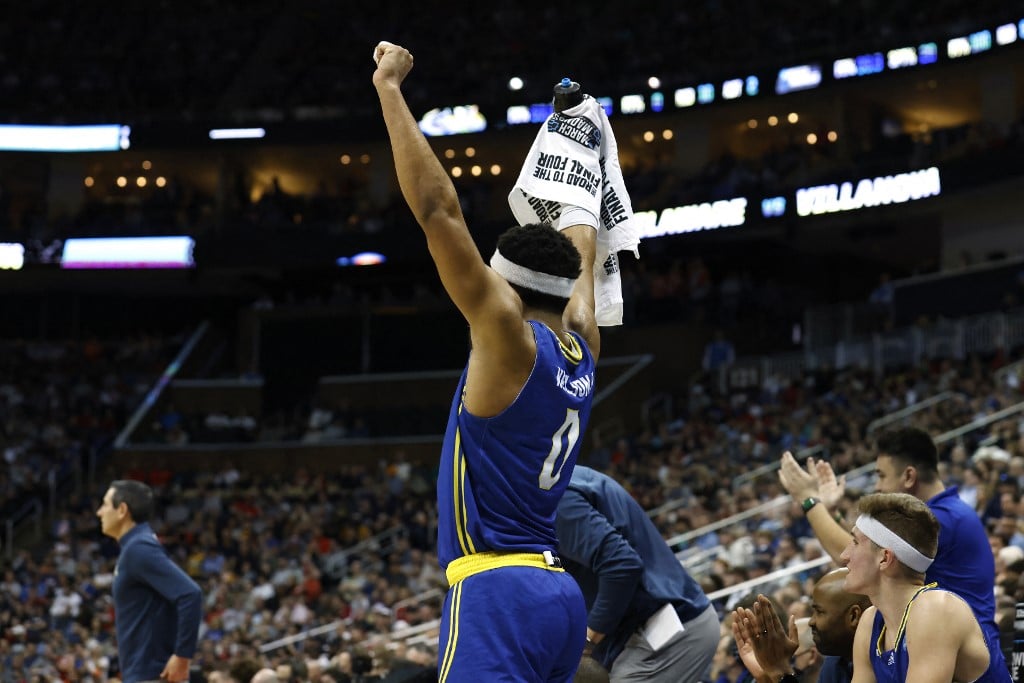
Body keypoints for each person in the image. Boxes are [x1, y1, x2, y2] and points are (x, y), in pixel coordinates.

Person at [372, 42, 600, 682]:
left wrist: (390, 89)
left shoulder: (509, 339)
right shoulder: (582, 344)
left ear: (505, 289)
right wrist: (576, 139)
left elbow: (437, 210)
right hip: (558, 596)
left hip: (497, 591)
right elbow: (580, 245)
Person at [778, 427, 1007, 677]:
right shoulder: (872, 620)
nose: (877, 486)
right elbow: (871, 544)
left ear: (909, 476)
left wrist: (809, 501)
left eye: (881, 475)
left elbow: (872, 548)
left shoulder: (943, 519)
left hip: (946, 643)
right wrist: (775, 672)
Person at [555, 466, 718, 682]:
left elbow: (622, 566)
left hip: (667, 634)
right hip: (655, 630)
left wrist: (587, 641)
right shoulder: (564, 477)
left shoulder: (555, 497)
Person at [842, 493, 1009, 682]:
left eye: (855, 542)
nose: (844, 555)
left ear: (885, 558)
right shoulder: (871, 621)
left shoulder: (936, 609)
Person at [96, 479, 202, 683]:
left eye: (105, 505)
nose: (99, 512)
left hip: (153, 675)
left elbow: (190, 594)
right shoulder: (137, 546)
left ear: (122, 510)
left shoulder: (138, 548)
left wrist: (182, 656)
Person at [731, 568, 871, 683]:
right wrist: (765, 677)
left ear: (853, 616)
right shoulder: (834, 664)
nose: (811, 621)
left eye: (819, 612)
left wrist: (780, 671)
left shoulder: (881, 660)